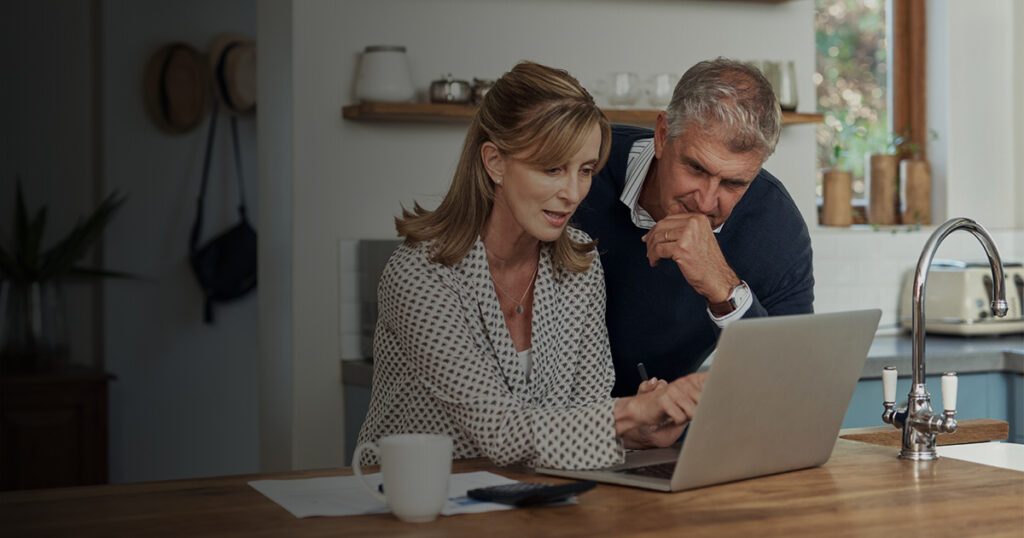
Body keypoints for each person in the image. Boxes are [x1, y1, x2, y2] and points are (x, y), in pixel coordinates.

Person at [357, 61, 704, 471]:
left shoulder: (580, 267)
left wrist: (636, 433)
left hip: (533, 501)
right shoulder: (420, 275)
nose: (573, 193)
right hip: (416, 503)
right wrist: (631, 413)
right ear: (495, 162)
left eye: (586, 170)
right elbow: (500, 431)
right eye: (552, 168)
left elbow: (583, 411)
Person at [574, 58, 814, 398]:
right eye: (696, 168)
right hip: (552, 428)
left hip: (663, 436)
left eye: (733, 183)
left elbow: (791, 384)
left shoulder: (775, 226)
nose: (705, 202)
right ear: (662, 135)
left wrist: (725, 290)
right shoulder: (584, 170)